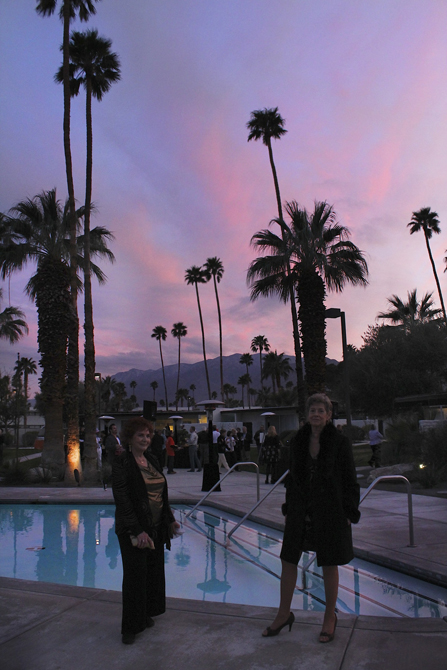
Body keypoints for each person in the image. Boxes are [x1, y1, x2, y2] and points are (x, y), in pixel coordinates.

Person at [262, 393, 360, 643]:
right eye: (312, 410)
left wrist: (349, 511)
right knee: (288, 559)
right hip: (300, 509)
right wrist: (289, 508)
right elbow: (292, 479)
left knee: (329, 562)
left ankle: (329, 617)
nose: (316, 414)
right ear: (306, 415)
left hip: (330, 510)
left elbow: (350, 480)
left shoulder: (339, 442)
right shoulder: (297, 441)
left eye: (321, 410)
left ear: (328, 415)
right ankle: (283, 614)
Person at [112, 417, 181, 645]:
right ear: (130, 438)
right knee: (135, 576)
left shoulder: (152, 459)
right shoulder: (123, 463)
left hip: (155, 527)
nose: (145, 439)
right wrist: (137, 530)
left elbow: (162, 494)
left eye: (148, 435)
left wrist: (170, 520)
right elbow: (122, 500)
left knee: (152, 573)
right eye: (140, 435)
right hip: (133, 529)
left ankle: (145, 613)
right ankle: (130, 627)